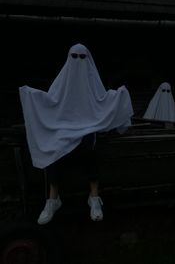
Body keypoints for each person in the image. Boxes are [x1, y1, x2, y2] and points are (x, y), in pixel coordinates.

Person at [19, 43, 134, 225]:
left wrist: (119, 96)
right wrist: (31, 96)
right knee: (55, 148)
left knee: (90, 145)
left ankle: (94, 197)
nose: (78, 61)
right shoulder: (61, 82)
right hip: (64, 130)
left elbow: (102, 101)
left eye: (82, 57)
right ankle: (53, 199)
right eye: (74, 57)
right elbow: (51, 101)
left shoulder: (92, 83)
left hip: (88, 129)